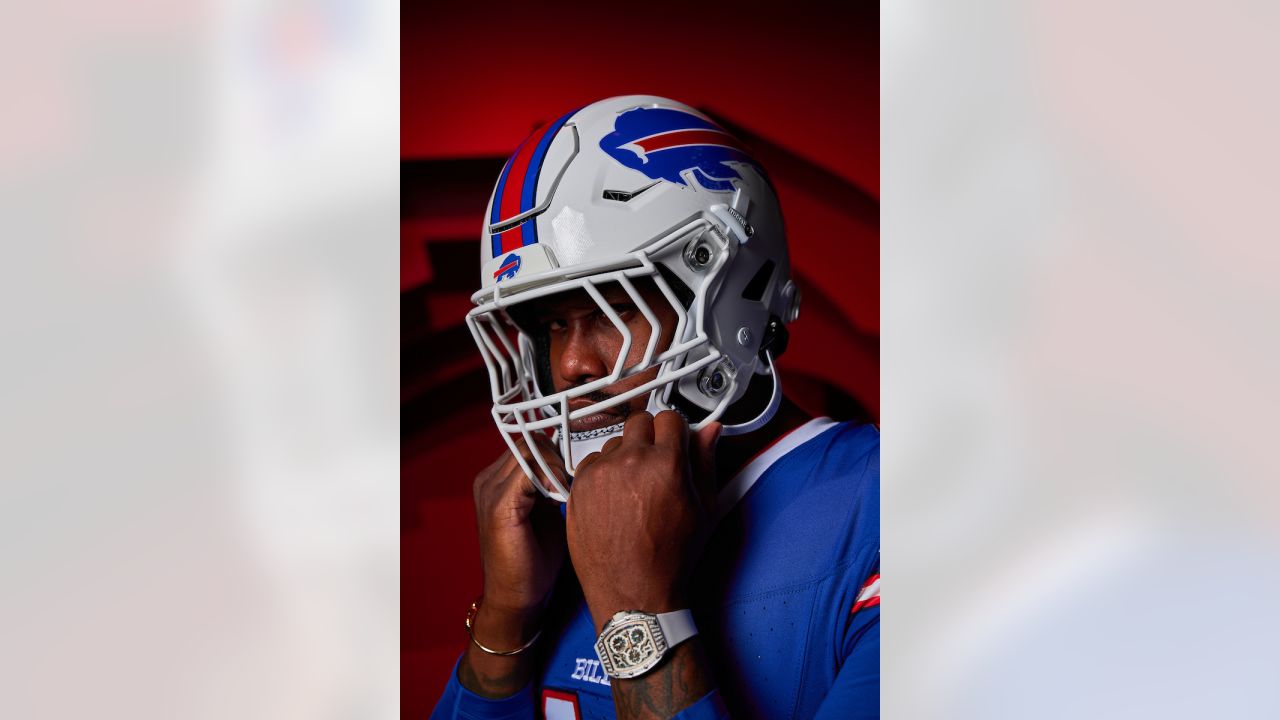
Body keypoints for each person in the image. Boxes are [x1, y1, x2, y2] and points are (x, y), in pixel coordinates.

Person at [430, 96, 879, 720]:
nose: (570, 366)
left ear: (730, 293)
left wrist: (636, 614)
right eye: (555, 324)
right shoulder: (554, 532)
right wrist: (507, 621)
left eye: (613, 307)